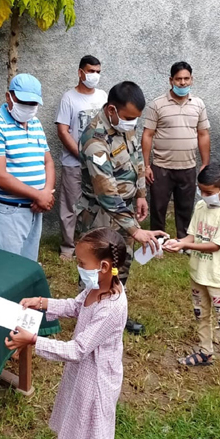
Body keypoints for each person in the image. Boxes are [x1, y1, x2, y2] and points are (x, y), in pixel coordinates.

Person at [5, 227, 129, 439]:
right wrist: (41, 302)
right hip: (84, 375)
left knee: (93, 437)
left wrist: (34, 340)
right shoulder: (96, 288)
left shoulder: (111, 306)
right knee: (83, 431)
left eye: (82, 263)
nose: (79, 267)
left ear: (104, 266)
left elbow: (78, 349)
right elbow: (75, 307)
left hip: (96, 382)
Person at [78, 81, 167, 334]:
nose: (132, 124)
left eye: (136, 119)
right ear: (111, 110)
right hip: (100, 215)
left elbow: (137, 158)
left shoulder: (125, 125)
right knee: (97, 269)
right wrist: (135, 230)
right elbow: (105, 191)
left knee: (120, 264)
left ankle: (114, 312)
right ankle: (89, 318)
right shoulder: (94, 139)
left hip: (123, 211)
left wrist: (140, 194)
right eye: (128, 118)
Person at [164, 164, 220, 386]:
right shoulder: (201, 206)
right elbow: (193, 235)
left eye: (209, 192)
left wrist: (184, 247)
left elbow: (215, 245)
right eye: (201, 190)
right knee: (201, 315)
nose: (204, 195)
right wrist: (180, 242)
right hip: (197, 273)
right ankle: (205, 352)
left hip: (218, 278)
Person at [0, 73, 55, 262]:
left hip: (35, 210)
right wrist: (38, 195)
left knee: (27, 267)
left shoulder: (35, 124)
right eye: (23, 102)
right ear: (9, 97)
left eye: (33, 104)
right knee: (5, 269)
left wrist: (46, 193)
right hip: (9, 213)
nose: (28, 108)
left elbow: (48, 162)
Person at [142, 61, 210, 239]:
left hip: (188, 166)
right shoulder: (156, 104)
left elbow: (203, 134)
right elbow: (148, 135)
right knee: (158, 206)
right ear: (171, 80)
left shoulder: (198, 104)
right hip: (161, 166)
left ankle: (183, 240)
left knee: (185, 206)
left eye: (186, 78)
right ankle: (158, 242)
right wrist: (146, 165)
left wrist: (205, 164)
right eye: (178, 79)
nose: (182, 83)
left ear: (192, 80)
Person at [55, 55, 108, 260]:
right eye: (91, 71)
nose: (94, 75)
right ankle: (68, 247)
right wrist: (81, 155)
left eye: (98, 71)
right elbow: (63, 131)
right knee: (70, 204)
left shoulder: (103, 96)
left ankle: (91, 243)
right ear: (80, 72)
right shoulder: (69, 98)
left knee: (97, 204)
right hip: (73, 163)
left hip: (100, 163)